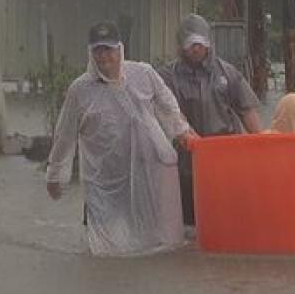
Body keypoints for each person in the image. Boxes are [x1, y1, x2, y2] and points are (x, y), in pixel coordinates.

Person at [46, 21, 196, 256]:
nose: (104, 56)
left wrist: (182, 131)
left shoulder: (143, 73)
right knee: (107, 248)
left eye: (109, 49)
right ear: (90, 53)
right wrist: (56, 175)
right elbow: (65, 135)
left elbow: (167, 104)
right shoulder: (80, 90)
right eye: (98, 50)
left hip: (145, 169)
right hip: (104, 178)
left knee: (158, 242)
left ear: (120, 49)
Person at [158, 14, 261, 225]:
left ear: (208, 43)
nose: (196, 49)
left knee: (229, 218)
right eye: (190, 44)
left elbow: (247, 110)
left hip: (227, 157)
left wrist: (261, 145)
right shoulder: (168, 76)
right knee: (189, 223)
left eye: (200, 44)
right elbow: (170, 113)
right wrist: (191, 139)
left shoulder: (227, 73)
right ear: (181, 46)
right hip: (187, 159)